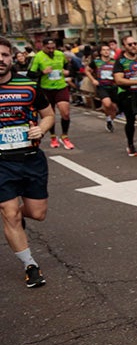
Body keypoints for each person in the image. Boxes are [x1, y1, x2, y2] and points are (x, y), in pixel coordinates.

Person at [0, 37, 55, 288]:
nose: (1, 60)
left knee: (37, 213)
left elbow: (49, 115)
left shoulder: (29, 85)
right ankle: (30, 264)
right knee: (9, 212)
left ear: (12, 57)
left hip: (31, 159)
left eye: (4, 55)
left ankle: (15, 219)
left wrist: (41, 129)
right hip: (1, 163)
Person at [28, 38, 75, 150]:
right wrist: (42, 72)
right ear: (43, 47)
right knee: (50, 115)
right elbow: (30, 74)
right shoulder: (38, 57)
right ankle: (53, 136)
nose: (51, 50)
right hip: (46, 89)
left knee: (65, 112)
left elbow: (69, 65)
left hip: (61, 86)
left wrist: (67, 71)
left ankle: (64, 136)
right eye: (48, 48)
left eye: (53, 48)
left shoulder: (60, 54)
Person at [87, 43, 119, 133]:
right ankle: (108, 116)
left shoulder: (114, 62)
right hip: (102, 86)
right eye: (104, 50)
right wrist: (93, 80)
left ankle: (109, 120)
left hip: (113, 86)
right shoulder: (96, 62)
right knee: (107, 103)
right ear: (100, 52)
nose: (106, 51)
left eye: (108, 50)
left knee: (114, 108)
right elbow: (87, 70)